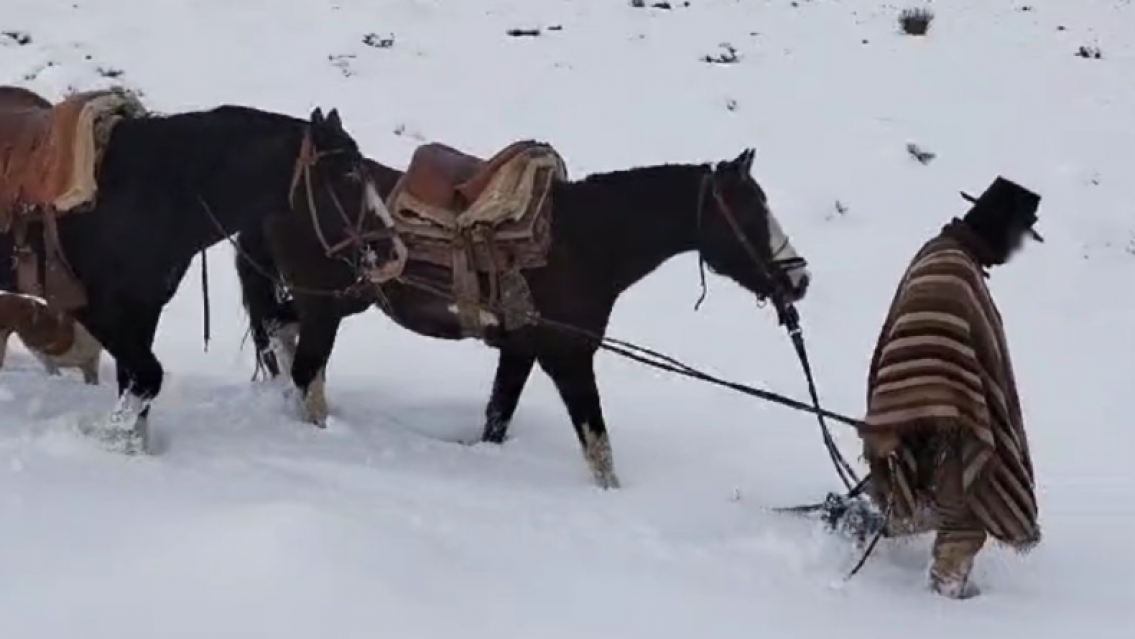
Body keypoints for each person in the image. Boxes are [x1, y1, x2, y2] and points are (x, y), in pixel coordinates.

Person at [858, 176, 1043, 599]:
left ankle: (870, 521)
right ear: (998, 226)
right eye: (1017, 237)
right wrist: (946, 409)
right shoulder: (953, 268)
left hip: (928, 416)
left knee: (932, 496)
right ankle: (945, 593)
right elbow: (930, 346)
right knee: (970, 502)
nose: (1016, 249)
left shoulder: (946, 256)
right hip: (943, 425)